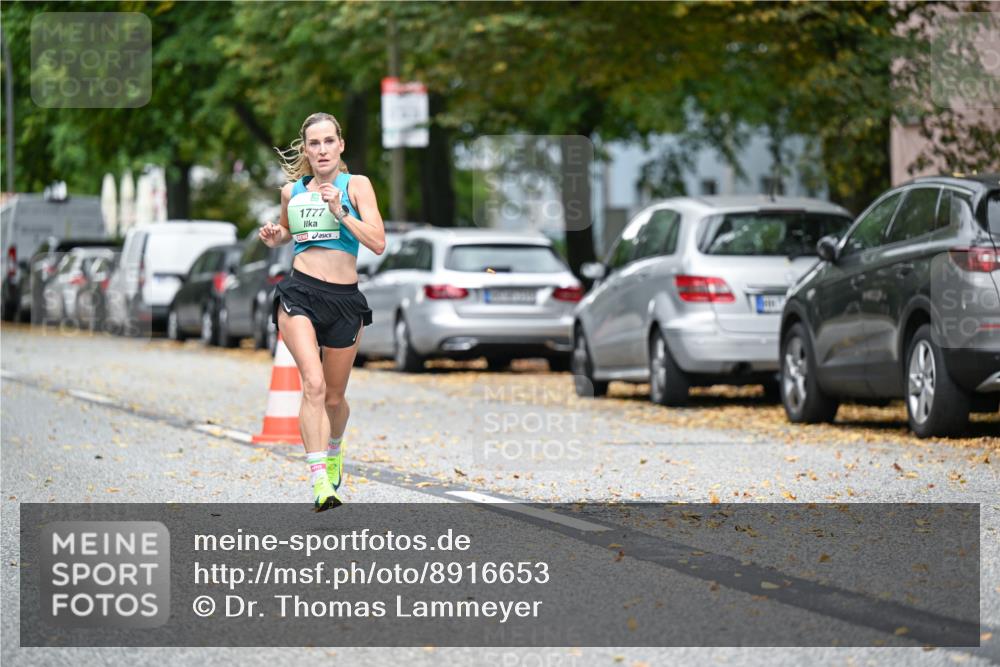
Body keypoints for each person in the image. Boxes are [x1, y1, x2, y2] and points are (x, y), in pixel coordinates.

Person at [259, 112, 386, 511]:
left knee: (333, 397)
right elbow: (288, 233)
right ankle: (320, 483)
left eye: (329, 141)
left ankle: (333, 448)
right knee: (311, 385)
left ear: (340, 145)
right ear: (308, 150)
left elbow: (378, 242)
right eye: (314, 143)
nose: (322, 149)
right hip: (300, 292)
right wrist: (273, 236)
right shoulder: (291, 192)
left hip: (346, 299)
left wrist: (341, 211)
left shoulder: (357, 186)